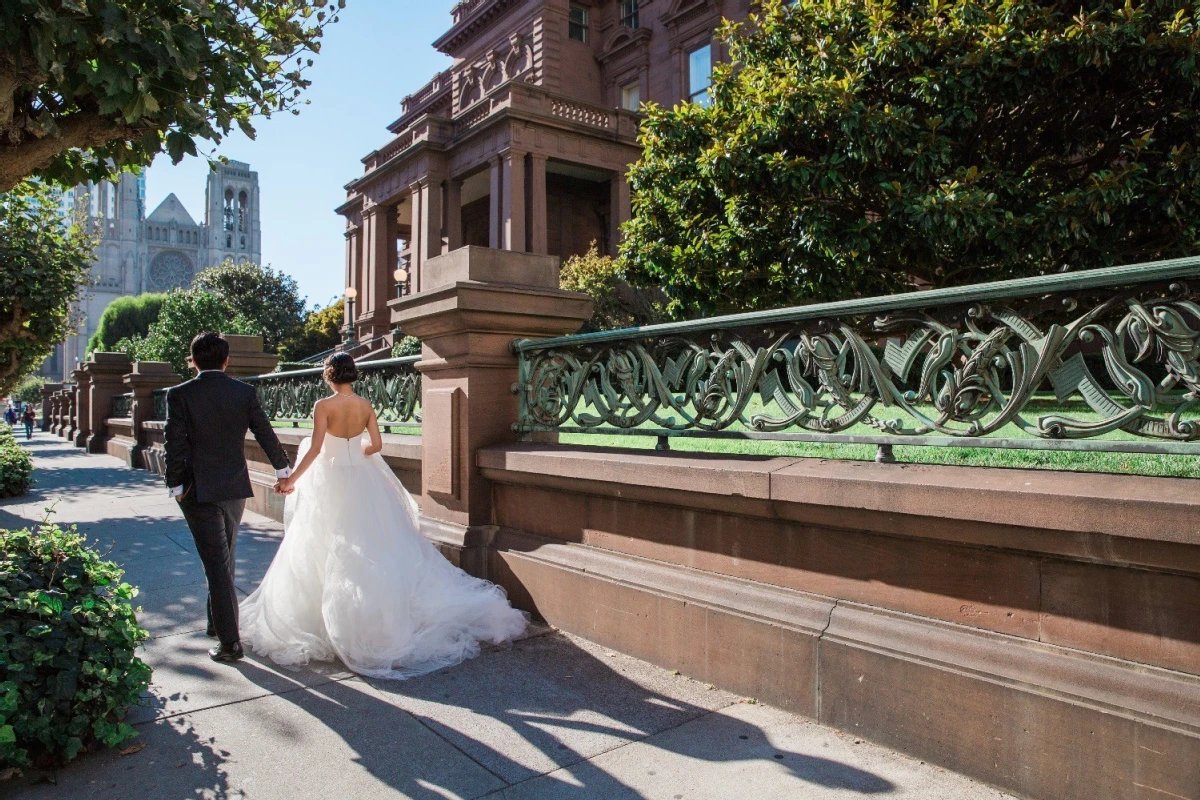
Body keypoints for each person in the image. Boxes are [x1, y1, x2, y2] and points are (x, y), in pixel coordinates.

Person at [239, 353, 527, 679]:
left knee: (327, 546)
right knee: (372, 545)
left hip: (331, 480)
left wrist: (291, 480)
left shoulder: (323, 407)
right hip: (362, 478)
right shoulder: (364, 406)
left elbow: (317, 449)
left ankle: (328, 622)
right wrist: (355, 453)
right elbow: (375, 445)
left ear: (329, 375)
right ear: (353, 375)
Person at [164, 332, 292, 664]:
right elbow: (264, 431)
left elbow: (174, 444)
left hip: (198, 490)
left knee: (217, 565)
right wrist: (282, 469)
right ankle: (216, 624)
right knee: (224, 557)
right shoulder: (244, 392)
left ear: (192, 360)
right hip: (235, 487)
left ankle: (230, 644)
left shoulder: (180, 394)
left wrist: (176, 487)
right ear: (226, 360)